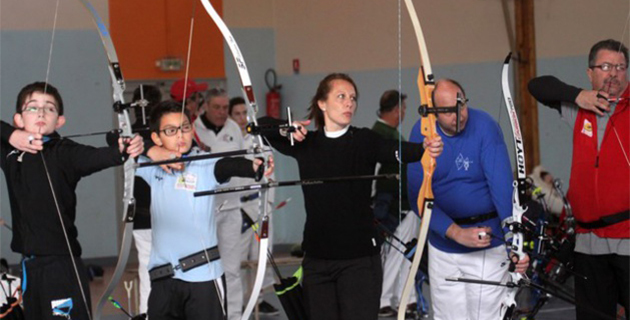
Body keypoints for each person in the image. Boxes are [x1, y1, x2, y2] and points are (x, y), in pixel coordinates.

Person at [259, 73, 443, 320]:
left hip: (360, 261)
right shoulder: (306, 143)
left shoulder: (364, 140)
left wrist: (424, 147)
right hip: (317, 260)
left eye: (353, 98)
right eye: (341, 96)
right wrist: (286, 128)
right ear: (322, 103)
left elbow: (396, 150)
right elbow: (259, 125)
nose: (349, 103)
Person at [0, 81, 144, 320]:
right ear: (18, 119)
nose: (41, 112)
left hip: (62, 266)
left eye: (50, 108)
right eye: (32, 107)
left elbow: (101, 156)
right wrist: (12, 136)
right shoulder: (10, 153)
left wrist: (123, 148)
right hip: (29, 268)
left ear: (60, 121)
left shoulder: (65, 152)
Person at [137, 101, 273, 320]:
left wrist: (253, 167)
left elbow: (226, 166)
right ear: (156, 137)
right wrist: (153, 152)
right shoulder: (152, 166)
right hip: (164, 281)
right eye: (171, 131)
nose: (180, 135)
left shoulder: (204, 163)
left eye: (185, 128)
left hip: (203, 278)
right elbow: (117, 142)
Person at [407, 79, 529, 320]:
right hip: (443, 248)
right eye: (449, 111)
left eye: (461, 106)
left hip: (489, 243)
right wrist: (455, 232)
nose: (459, 115)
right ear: (432, 113)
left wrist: (513, 244)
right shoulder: (421, 133)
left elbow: (502, 189)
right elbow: (417, 198)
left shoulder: (485, 126)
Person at [528, 38, 629, 320]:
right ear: (590, 72)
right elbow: (536, 85)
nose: (613, 73)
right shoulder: (578, 108)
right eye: (606, 66)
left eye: (621, 67)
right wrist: (577, 95)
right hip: (587, 243)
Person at [227, 97, 279, 316]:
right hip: (236, 207)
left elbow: (270, 175)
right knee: (235, 259)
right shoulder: (228, 140)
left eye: (244, 114)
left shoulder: (259, 141)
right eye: (237, 114)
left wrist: (267, 205)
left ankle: (257, 299)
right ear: (231, 116)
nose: (241, 118)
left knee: (261, 255)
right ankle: (234, 304)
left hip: (259, 205)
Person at [370, 90, 419, 317]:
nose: (404, 113)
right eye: (404, 108)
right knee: (398, 251)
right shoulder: (381, 133)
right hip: (394, 202)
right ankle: (384, 298)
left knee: (405, 250)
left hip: (401, 201)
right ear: (396, 109)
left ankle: (404, 297)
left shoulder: (388, 133)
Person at [131, 84, 162, 315]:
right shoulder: (128, 137)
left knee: (154, 270)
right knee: (147, 270)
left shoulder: (163, 133)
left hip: (165, 213)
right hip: (144, 215)